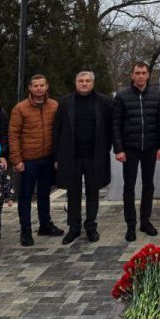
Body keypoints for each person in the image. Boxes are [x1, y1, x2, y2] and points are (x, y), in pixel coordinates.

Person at [53, 70, 113, 245]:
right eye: (81, 80)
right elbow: (57, 130)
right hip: (71, 156)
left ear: (93, 83)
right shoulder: (65, 103)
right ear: (76, 82)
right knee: (73, 192)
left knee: (93, 192)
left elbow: (109, 128)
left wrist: (106, 149)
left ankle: (91, 227)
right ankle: (74, 227)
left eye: (87, 81)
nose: (84, 83)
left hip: (94, 156)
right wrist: (56, 156)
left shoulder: (103, 102)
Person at [112, 61, 160, 242]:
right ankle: (130, 225)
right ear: (132, 75)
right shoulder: (122, 96)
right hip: (130, 148)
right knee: (129, 186)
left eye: (144, 73)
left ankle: (145, 221)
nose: (141, 76)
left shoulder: (156, 96)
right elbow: (116, 124)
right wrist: (118, 149)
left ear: (148, 75)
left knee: (148, 184)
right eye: (138, 73)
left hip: (150, 147)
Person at [9, 74, 63, 247]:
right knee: (25, 196)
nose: (39, 88)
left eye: (42, 85)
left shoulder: (54, 106)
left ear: (47, 86)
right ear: (30, 88)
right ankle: (25, 231)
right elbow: (13, 134)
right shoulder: (20, 108)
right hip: (28, 160)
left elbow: (59, 131)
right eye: (35, 85)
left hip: (47, 158)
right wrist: (16, 159)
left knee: (44, 193)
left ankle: (45, 224)